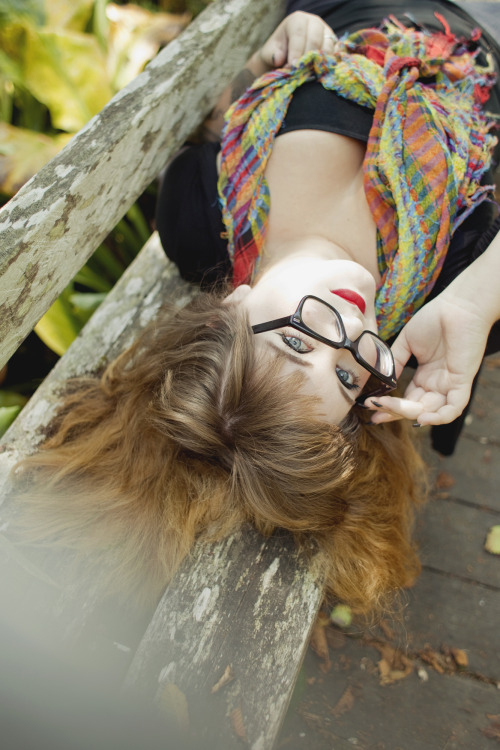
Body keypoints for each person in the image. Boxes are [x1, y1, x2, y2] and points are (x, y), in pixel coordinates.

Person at [10, 0, 500, 615]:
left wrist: (271, 49)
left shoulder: (200, 222)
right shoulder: (446, 292)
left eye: (298, 341)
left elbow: (221, 111)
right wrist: (482, 297)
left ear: (231, 308)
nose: (350, 328)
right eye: (349, 374)